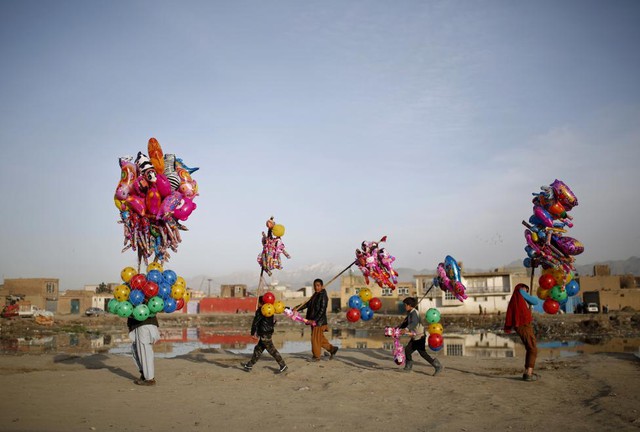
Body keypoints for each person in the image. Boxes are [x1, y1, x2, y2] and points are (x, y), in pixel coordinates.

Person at [295, 278, 338, 361]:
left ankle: (316, 356)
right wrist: (297, 308)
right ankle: (332, 349)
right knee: (319, 339)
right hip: (314, 321)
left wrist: (314, 320)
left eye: (318, 286)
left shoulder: (323, 296)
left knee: (315, 339)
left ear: (322, 286)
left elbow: (322, 310)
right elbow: (307, 304)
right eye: (315, 286)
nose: (316, 287)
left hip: (319, 322)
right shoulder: (315, 295)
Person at [242, 296, 288, 374]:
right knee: (258, 349)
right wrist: (274, 323)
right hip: (268, 332)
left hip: (264, 333)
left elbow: (255, 322)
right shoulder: (270, 309)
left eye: (258, 302)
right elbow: (270, 322)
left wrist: (253, 333)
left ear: (261, 302)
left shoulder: (261, 310)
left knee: (272, 350)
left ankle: (283, 365)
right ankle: (249, 365)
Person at [399, 297, 443, 375]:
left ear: (409, 305)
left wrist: (406, 329)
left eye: (405, 305)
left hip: (420, 337)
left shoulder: (414, 313)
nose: (404, 306)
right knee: (408, 350)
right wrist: (397, 329)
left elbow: (414, 323)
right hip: (415, 336)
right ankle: (408, 367)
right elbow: (405, 323)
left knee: (422, 353)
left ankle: (437, 366)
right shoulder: (410, 313)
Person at [504, 283, 539, 382]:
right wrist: (528, 297)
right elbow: (535, 301)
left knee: (530, 347)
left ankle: (527, 371)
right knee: (533, 348)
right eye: (526, 290)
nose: (526, 292)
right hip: (523, 323)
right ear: (523, 287)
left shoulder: (516, 296)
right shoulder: (520, 290)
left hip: (521, 324)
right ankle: (529, 373)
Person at [128, 313, 160, 386]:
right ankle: (144, 374)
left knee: (145, 351)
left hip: (144, 324)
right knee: (136, 350)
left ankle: (149, 379)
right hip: (138, 323)